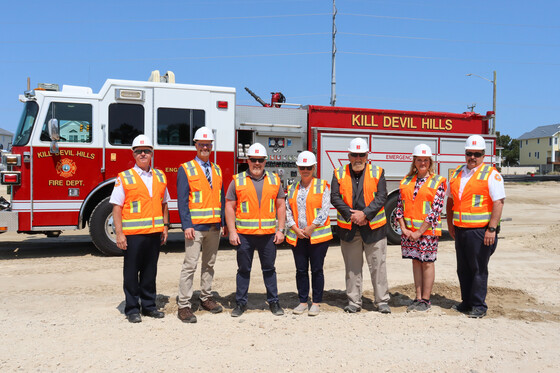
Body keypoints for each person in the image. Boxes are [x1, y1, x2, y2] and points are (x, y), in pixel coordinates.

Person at [110, 134, 170, 323]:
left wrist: (165, 227)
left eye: (146, 151)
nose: (143, 154)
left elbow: (164, 203)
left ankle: (149, 307)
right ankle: (132, 309)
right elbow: (116, 207)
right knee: (131, 273)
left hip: (154, 233)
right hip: (133, 235)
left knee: (150, 272)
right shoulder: (124, 177)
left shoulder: (160, 176)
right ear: (133, 154)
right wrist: (119, 233)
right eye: (139, 151)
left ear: (152, 153)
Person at [446, 135, 505, 318]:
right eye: (469, 153)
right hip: (461, 229)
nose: (472, 157)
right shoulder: (456, 173)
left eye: (477, 154)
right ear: (465, 153)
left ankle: (479, 306)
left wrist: (491, 229)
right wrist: (450, 224)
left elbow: (499, 202)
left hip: (480, 231)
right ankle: (466, 302)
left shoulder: (491, 174)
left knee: (478, 268)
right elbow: (450, 200)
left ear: (483, 155)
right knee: (462, 268)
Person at [225, 143, 286, 317]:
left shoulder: (274, 180)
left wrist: (280, 230)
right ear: (248, 160)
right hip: (244, 236)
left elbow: (281, 206)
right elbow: (229, 206)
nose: (257, 163)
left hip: (268, 236)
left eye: (260, 160)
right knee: (243, 270)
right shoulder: (237, 180)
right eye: (253, 160)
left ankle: (274, 302)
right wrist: (232, 231)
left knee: (269, 270)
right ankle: (241, 303)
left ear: (265, 161)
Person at [331, 138, 391, 314]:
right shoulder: (339, 173)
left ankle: (381, 301)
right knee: (352, 268)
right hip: (350, 229)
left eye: (361, 155)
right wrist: (353, 216)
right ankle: (354, 302)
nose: (358, 158)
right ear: (348, 156)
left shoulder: (378, 172)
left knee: (378, 267)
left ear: (367, 156)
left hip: (374, 229)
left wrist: (365, 214)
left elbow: (382, 196)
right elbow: (334, 197)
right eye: (354, 154)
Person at [176, 127, 226, 323]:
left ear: (211, 146)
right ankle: (184, 305)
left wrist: (221, 222)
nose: (205, 147)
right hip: (194, 228)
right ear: (195, 145)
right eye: (201, 144)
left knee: (209, 264)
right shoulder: (185, 168)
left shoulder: (217, 169)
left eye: (208, 144)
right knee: (190, 265)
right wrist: (186, 224)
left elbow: (220, 197)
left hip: (213, 227)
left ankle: (206, 297)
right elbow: (182, 200)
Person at [395, 144, 447, 312]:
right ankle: (417, 298)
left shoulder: (437, 181)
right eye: (419, 160)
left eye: (425, 160)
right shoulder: (406, 180)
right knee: (416, 262)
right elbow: (399, 207)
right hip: (410, 232)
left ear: (430, 161)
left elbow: (435, 211)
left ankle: (425, 300)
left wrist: (418, 232)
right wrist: (404, 228)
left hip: (426, 233)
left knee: (427, 263)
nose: (422, 162)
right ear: (414, 161)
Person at [285, 151, 333, 316]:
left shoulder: (322, 185)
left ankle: (316, 302)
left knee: (317, 270)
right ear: (298, 167)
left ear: (314, 168)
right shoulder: (292, 188)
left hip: (317, 236)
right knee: (301, 270)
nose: (305, 170)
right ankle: (303, 301)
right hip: (298, 236)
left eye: (309, 167)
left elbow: (325, 210)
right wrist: (295, 228)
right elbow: (287, 210)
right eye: (302, 167)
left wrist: (312, 227)